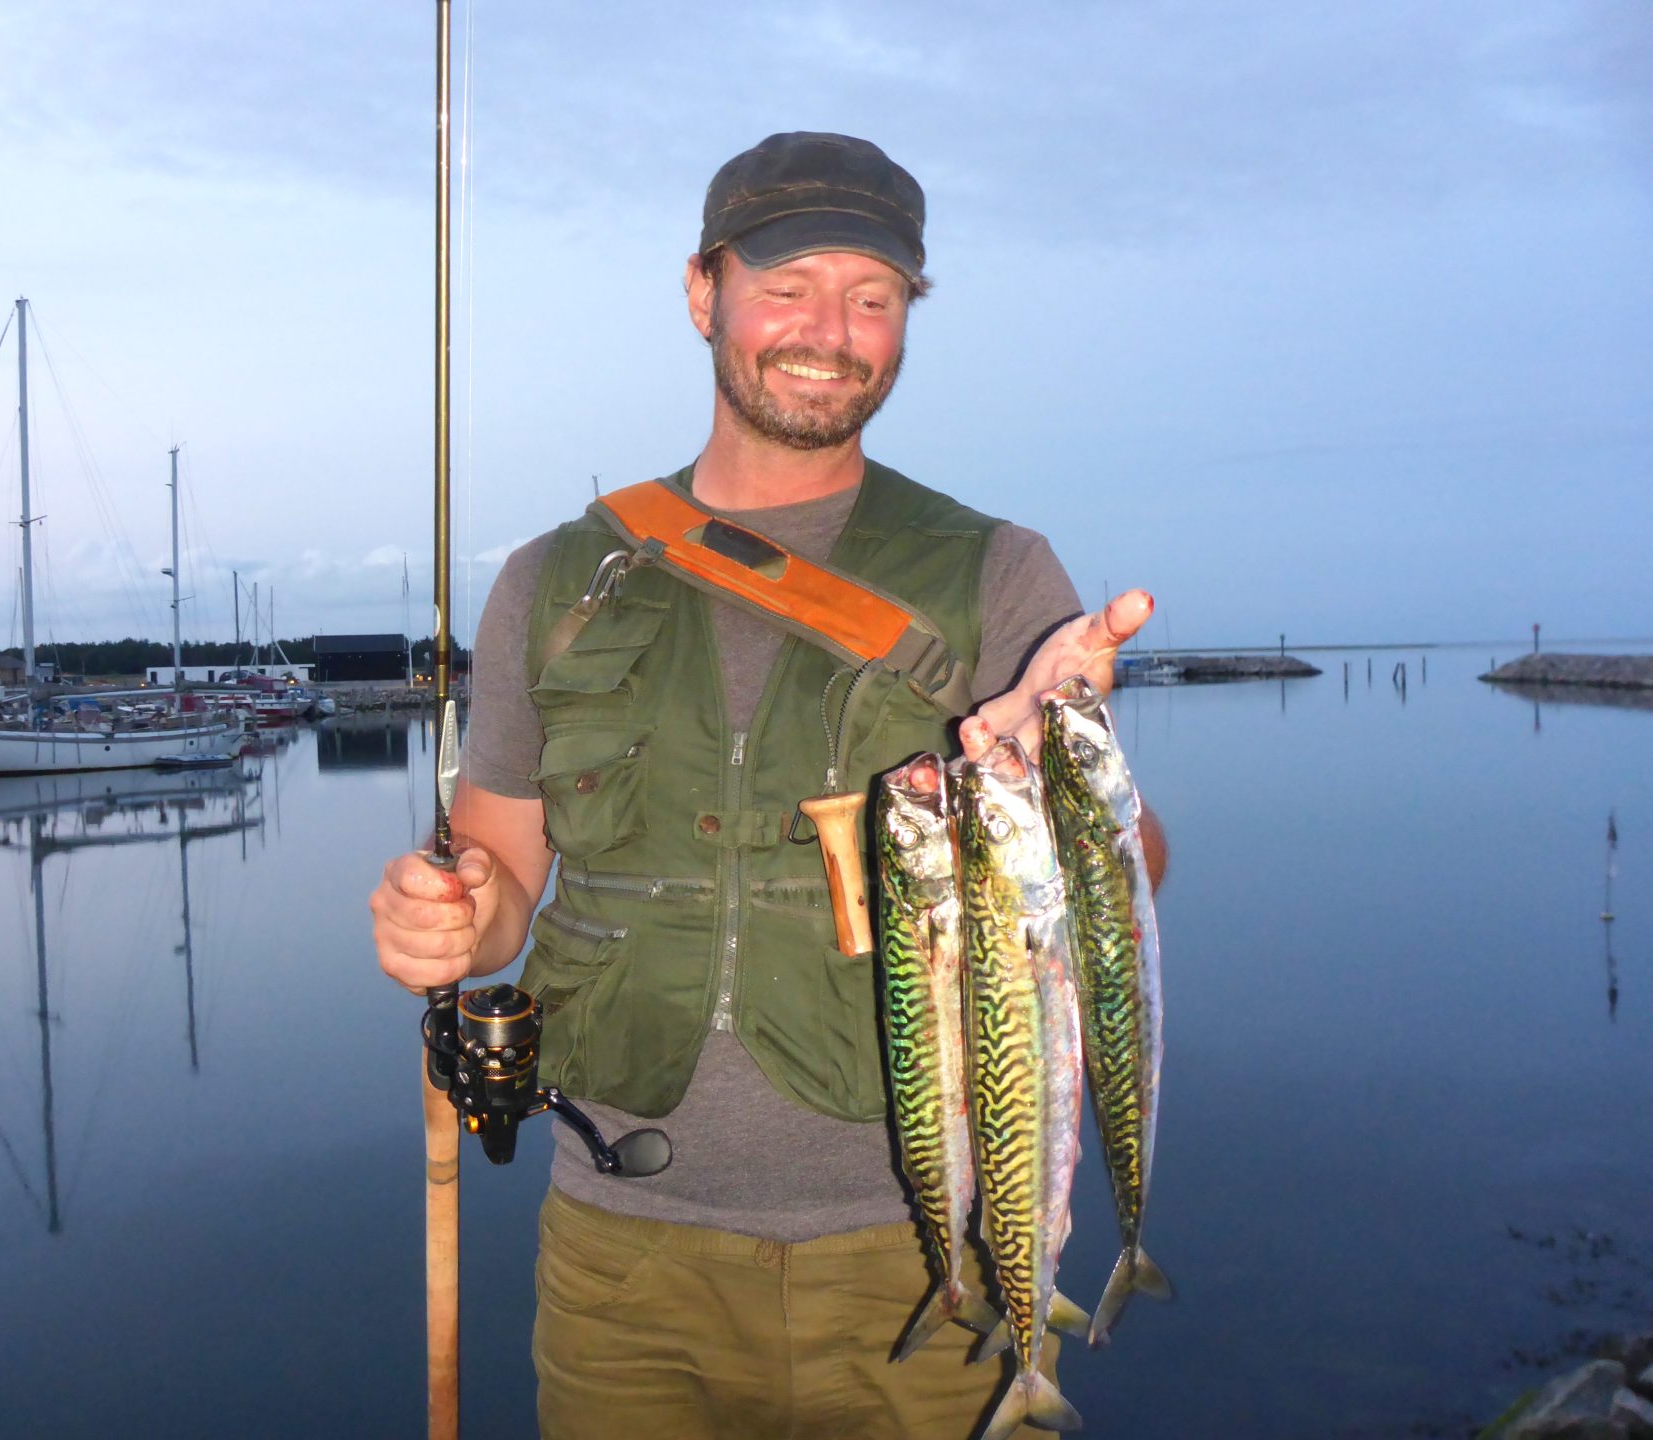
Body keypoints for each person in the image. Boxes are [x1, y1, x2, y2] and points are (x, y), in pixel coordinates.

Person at [372, 131, 1166, 1440]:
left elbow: (1139, 885)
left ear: (909, 317)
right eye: (788, 283)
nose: (831, 330)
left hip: (923, 1259)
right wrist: (446, 917)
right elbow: (501, 882)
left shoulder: (1002, 578)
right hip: (624, 1270)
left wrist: (1048, 788)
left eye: (873, 296)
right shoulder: (553, 582)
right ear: (704, 294)